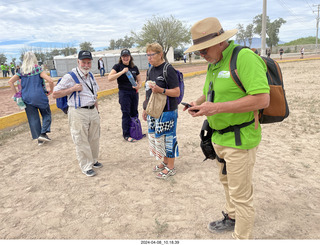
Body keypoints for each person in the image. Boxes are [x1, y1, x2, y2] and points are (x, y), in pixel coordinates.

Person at [183, 17, 270, 239]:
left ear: (221, 41)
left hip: (240, 141)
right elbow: (211, 92)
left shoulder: (244, 58)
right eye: (198, 50)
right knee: (227, 183)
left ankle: (242, 238)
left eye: (204, 49)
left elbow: (262, 100)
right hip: (219, 138)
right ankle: (232, 218)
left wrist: (216, 108)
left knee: (241, 195)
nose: (201, 54)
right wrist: (198, 103)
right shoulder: (214, 63)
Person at [52, 50, 102, 177]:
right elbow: (55, 93)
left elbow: (94, 94)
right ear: (78, 62)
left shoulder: (90, 76)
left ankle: (93, 159)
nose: (86, 65)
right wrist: (72, 89)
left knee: (94, 137)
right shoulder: (70, 77)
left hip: (92, 110)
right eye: (83, 62)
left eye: (88, 62)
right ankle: (86, 166)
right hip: (78, 112)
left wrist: (97, 110)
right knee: (81, 139)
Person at [142, 43, 180, 179]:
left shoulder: (168, 69)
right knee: (159, 138)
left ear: (160, 54)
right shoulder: (150, 70)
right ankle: (164, 162)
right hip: (154, 110)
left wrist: (161, 90)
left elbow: (176, 92)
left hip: (168, 110)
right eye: (148, 55)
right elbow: (148, 92)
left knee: (168, 137)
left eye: (152, 55)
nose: (149, 58)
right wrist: (145, 108)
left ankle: (171, 167)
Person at [8, 51, 54, 145]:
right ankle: (43, 133)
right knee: (46, 114)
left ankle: (40, 140)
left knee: (33, 118)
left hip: (26, 98)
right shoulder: (37, 69)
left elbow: (10, 82)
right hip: (39, 96)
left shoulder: (21, 71)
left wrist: (16, 94)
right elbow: (50, 80)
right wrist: (51, 91)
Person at [108, 49, 142, 142]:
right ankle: (126, 135)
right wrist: (122, 72)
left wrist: (138, 86)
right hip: (124, 93)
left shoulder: (134, 67)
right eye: (124, 56)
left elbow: (139, 80)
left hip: (134, 93)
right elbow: (110, 78)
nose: (125, 58)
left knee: (134, 112)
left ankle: (135, 131)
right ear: (121, 57)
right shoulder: (117, 66)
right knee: (126, 113)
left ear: (130, 57)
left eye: (127, 56)